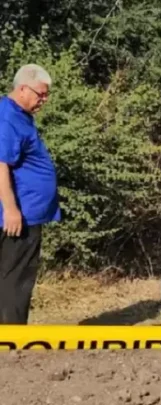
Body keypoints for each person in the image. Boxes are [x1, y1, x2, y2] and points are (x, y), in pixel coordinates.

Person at [0, 64, 60, 324]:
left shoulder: (19, 115)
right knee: (16, 283)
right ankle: (12, 339)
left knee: (13, 279)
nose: (44, 100)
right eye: (41, 94)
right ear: (23, 89)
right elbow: (0, 164)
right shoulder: (8, 118)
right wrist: (11, 209)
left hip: (26, 214)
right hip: (19, 217)